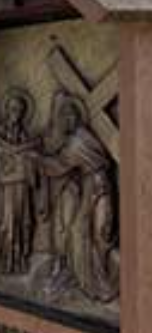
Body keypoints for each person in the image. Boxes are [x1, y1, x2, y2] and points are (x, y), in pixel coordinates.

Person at [37, 93, 118, 303]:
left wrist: (37, 159)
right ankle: (90, 281)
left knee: (97, 232)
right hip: (95, 185)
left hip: (97, 186)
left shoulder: (78, 141)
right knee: (85, 231)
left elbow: (58, 165)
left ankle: (97, 282)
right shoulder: (78, 138)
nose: (67, 120)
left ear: (76, 118)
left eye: (70, 116)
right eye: (64, 116)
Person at [0, 90, 41, 274]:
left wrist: (26, 153)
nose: (17, 113)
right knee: (9, 221)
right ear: (7, 109)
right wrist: (16, 152)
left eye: (20, 110)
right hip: (7, 186)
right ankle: (6, 259)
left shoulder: (24, 134)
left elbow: (28, 157)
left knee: (24, 221)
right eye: (13, 108)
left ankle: (20, 259)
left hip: (21, 185)